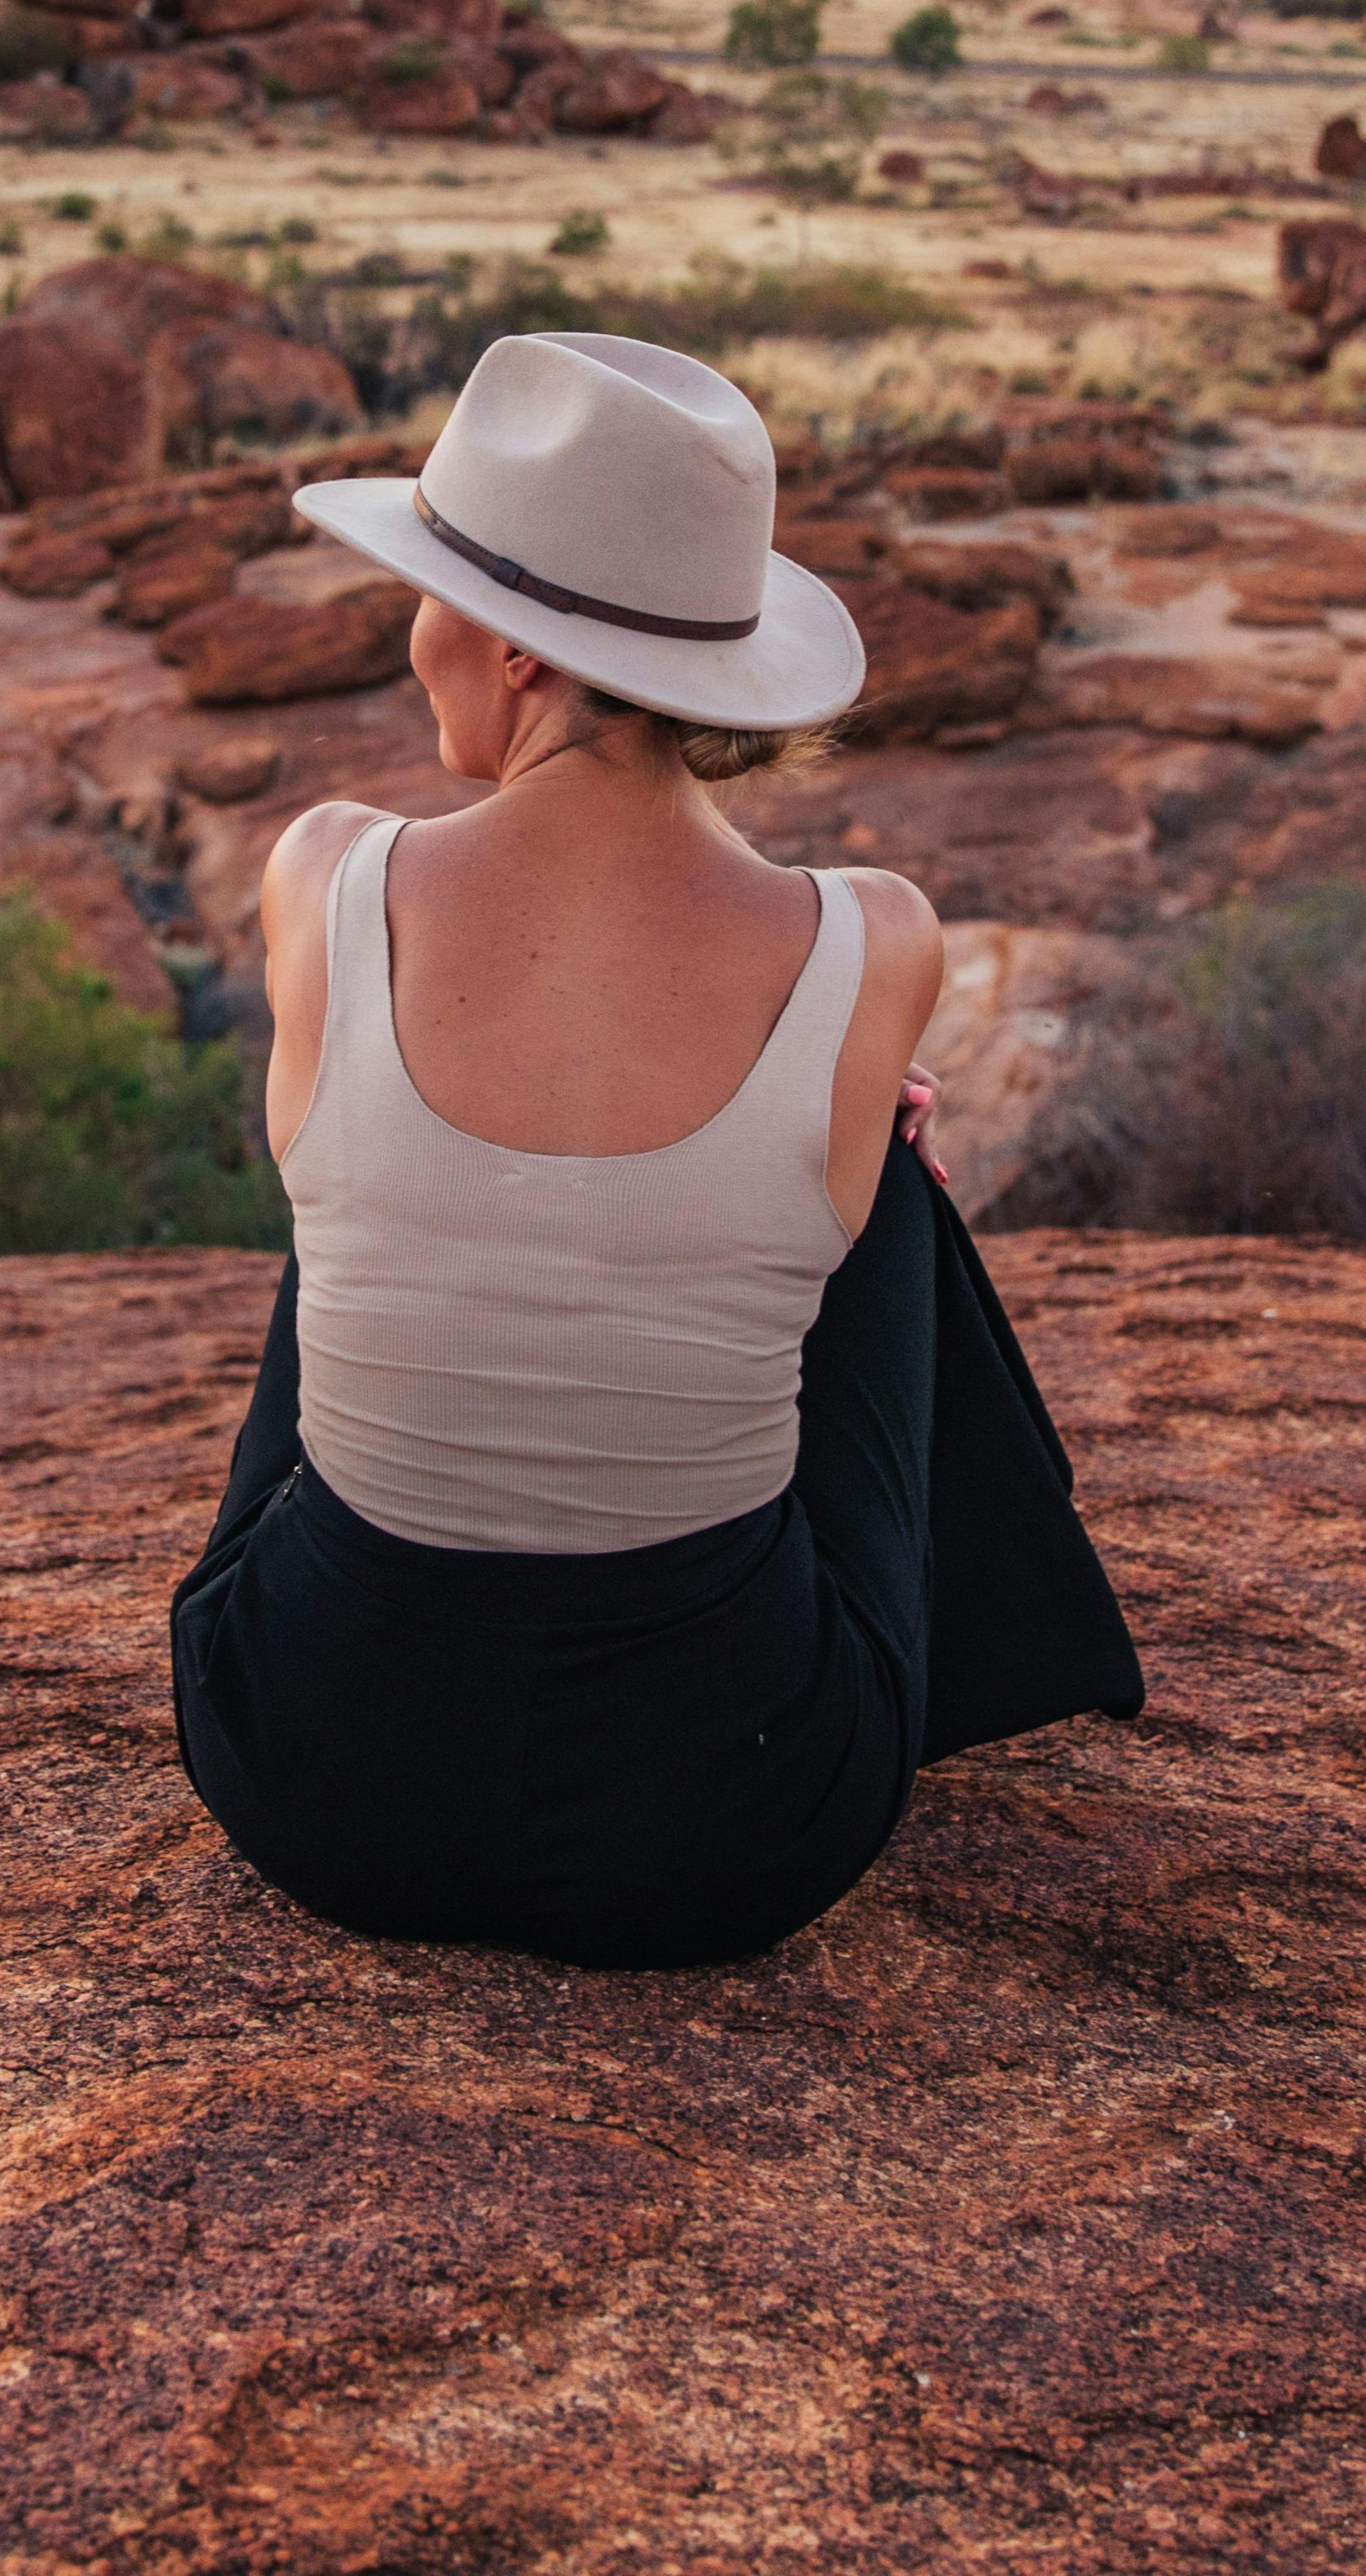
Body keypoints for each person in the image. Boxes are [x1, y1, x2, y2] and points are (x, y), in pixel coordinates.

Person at [168, 329, 1143, 1969]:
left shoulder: (321, 875)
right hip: (735, 1819)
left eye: (426, 592)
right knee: (883, 1176)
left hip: (315, 1773)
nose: (414, 637)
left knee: (347, 1122)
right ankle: (1022, 1641)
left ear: (514, 649)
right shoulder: (869, 943)